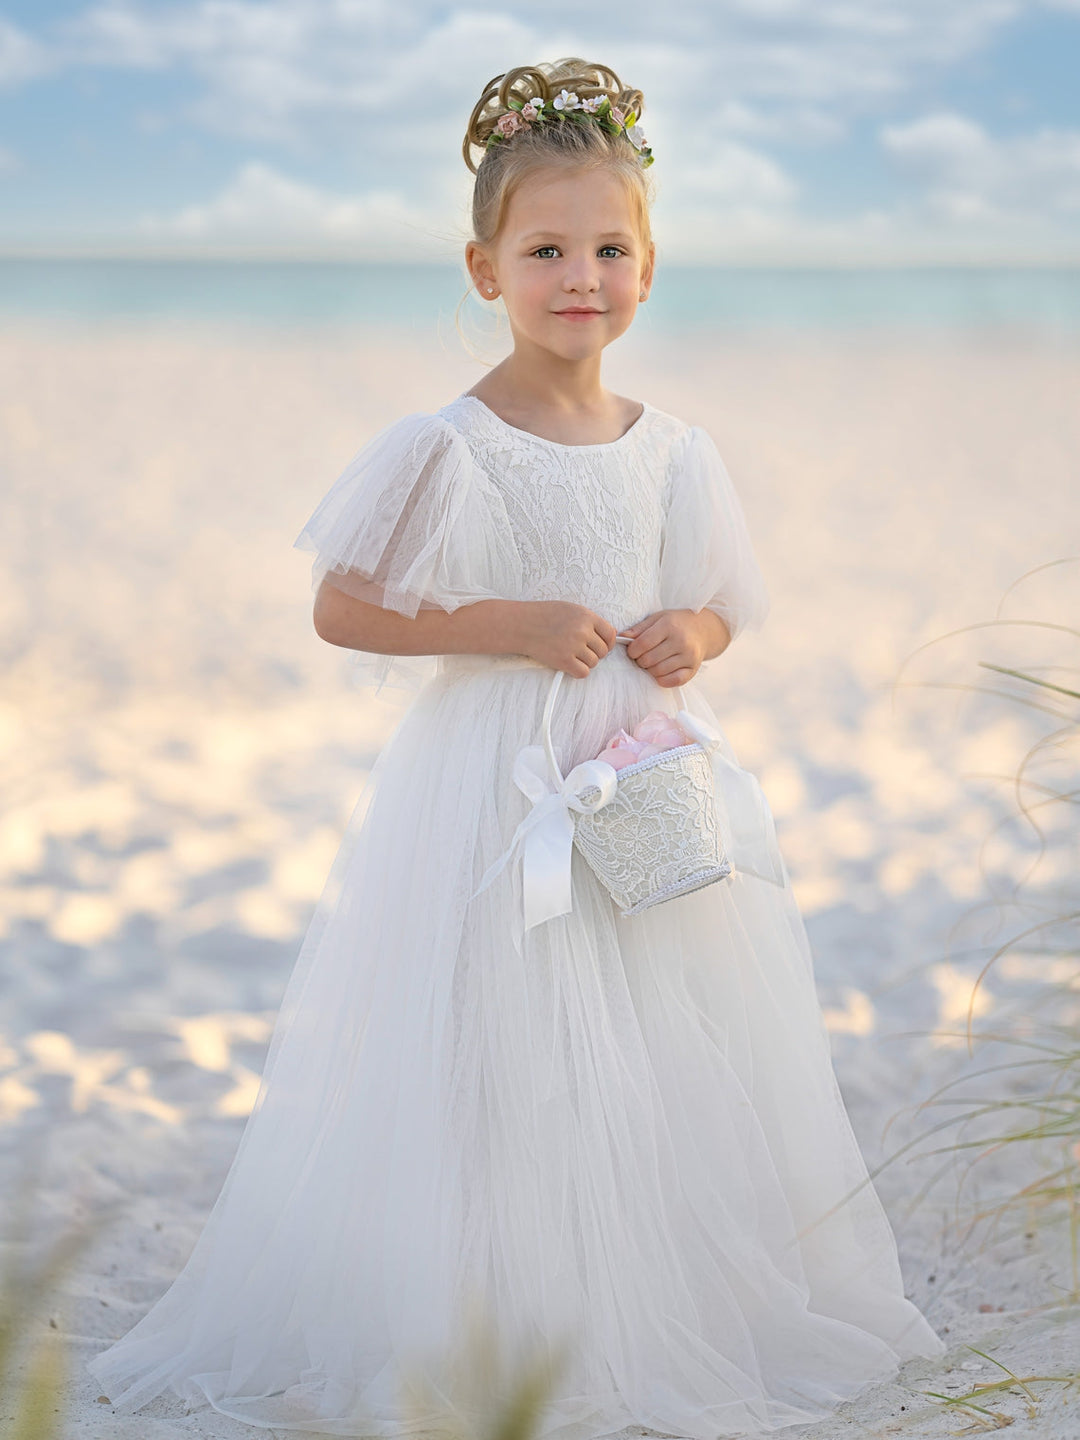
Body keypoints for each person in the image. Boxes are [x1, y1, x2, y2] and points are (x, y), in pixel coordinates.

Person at [87, 55, 945, 1439]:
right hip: (493, 776)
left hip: (640, 767)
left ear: (651, 272)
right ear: (485, 268)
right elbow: (341, 605)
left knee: (656, 1024)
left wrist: (692, 639)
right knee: (502, 1026)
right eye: (546, 249)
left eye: (611, 249)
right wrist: (508, 620)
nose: (580, 276)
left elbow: (725, 597)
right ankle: (491, 1300)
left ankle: (635, 1287)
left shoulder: (671, 449)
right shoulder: (451, 443)